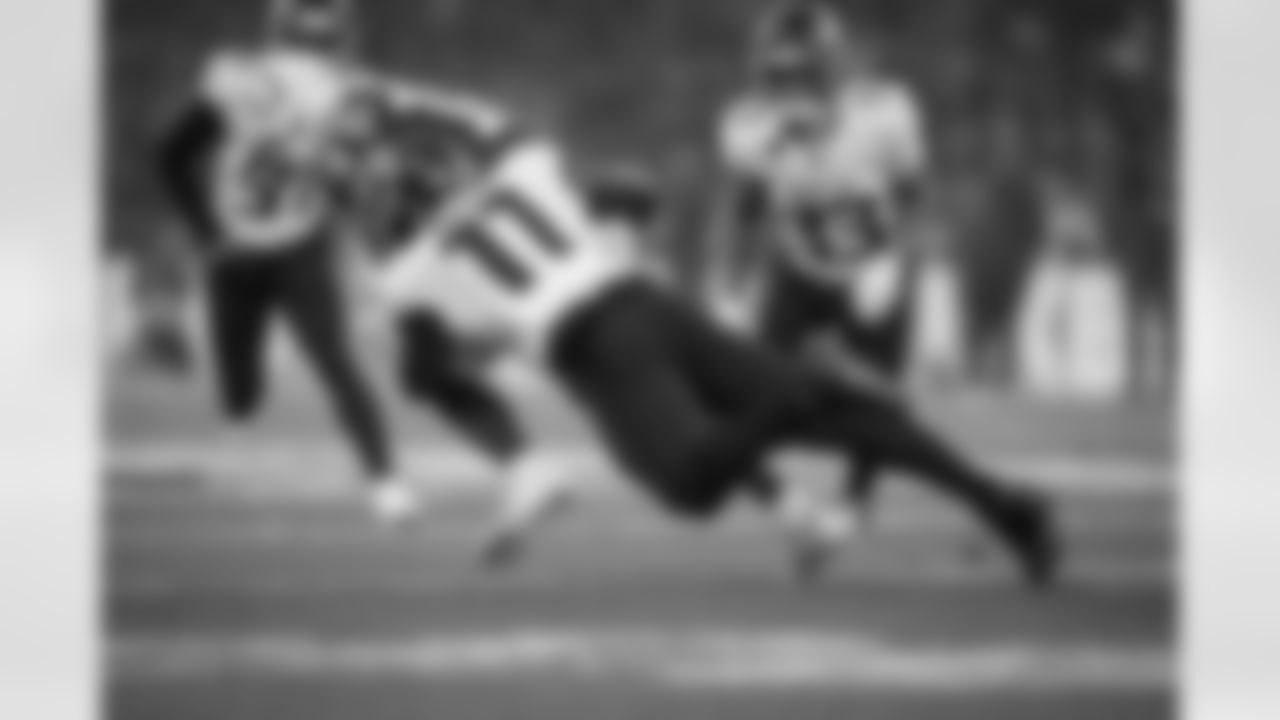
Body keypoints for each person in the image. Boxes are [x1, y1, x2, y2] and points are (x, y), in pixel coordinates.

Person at [351, 75, 1061, 587]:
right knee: (844, 420)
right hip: (652, 305)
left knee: (692, 485)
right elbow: (586, 174)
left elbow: (426, 375)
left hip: (602, 354)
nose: (373, 221)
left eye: (379, 207)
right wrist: (400, 102)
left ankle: (797, 389)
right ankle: (1006, 507)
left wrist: (460, 354)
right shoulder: (521, 169)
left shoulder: (410, 274)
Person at [155, 0, 412, 522]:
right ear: (335, 37)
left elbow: (172, 154)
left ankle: (384, 481)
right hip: (264, 246)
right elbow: (359, 183)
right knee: (276, 383)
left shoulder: (239, 77)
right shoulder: (348, 92)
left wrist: (208, 233)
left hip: (276, 245)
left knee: (313, 371)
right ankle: (386, 486)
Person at [711, 1, 930, 524]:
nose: (789, 86)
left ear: (832, 67)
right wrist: (728, 283)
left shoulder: (886, 111)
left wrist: (901, 265)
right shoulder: (748, 124)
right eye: (778, 73)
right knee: (746, 390)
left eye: (801, 73)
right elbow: (745, 204)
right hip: (800, 269)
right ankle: (779, 497)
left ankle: (853, 505)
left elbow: (913, 194)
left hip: (873, 261)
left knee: (883, 401)